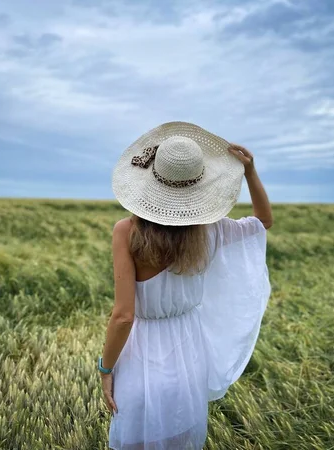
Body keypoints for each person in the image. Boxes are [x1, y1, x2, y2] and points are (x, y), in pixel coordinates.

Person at [100, 121, 273, 449]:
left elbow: (123, 316)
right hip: (190, 351)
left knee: (136, 438)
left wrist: (105, 368)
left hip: (141, 354)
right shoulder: (213, 230)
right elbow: (263, 222)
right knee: (181, 436)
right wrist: (250, 172)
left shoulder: (126, 230)